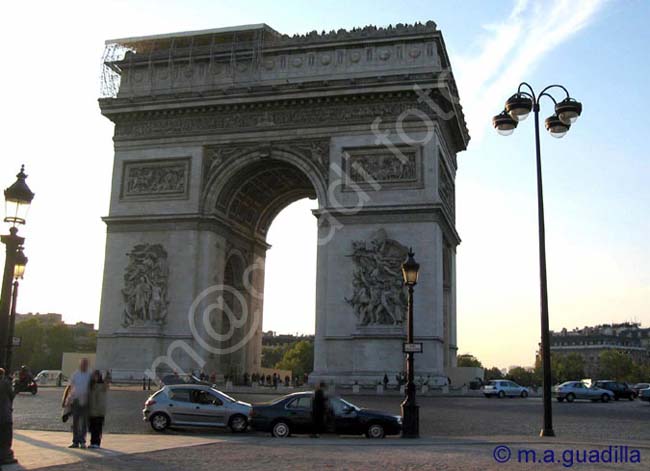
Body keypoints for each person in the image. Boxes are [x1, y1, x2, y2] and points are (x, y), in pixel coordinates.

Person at [65, 358, 92, 448]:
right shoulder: (75, 375)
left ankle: (82, 441)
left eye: (85, 364)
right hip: (76, 400)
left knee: (84, 422)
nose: (84, 366)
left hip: (86, 400)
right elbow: (70, 387)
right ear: (80, 365)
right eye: (82, 364)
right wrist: (67, 400)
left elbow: (92, 388)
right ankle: (75, 441)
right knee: (75, 421)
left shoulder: (89, 375)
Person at [0, 368, 17, 464]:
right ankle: (5, 456)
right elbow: (12, 395)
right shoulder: (5, 383)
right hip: (4, 414)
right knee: (6, 437)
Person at [88, 370, 109, 449]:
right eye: (94, 376)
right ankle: (92, 442)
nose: (95, 377)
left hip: (99, 410)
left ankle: (97, 443)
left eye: (96, 376)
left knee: (98, 428)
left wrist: (107, 377)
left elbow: (106, 384)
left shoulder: (102, 385)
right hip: (92, 410)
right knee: (92, 427)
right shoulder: (91, 386)